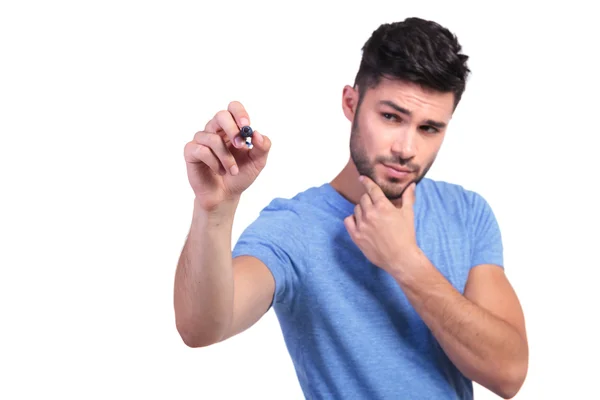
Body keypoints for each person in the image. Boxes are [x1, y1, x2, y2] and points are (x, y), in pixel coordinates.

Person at [174, 17, 529, 400]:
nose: (406, 148)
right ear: (351, 102)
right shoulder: (296, 227)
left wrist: (404, 261)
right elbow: (201, 329)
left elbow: (508, 374)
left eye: (429, 128)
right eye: (391, 117)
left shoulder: (466, 212)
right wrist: (215, 211)